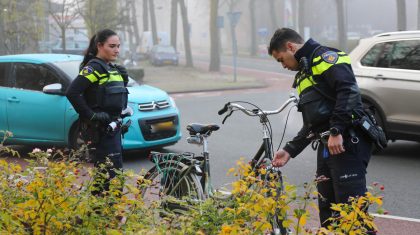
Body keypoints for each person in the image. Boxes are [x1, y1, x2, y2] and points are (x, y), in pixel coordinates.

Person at [269, 28, 374, 229]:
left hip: (347, 141)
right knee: (329, 214)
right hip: (328, 145)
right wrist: (290, 150)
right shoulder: (302, 76)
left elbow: (349, 91)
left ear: (290, 47)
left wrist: (336, 131)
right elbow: (312, 123)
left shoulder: (327, 57)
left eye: (281, 59)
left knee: (353, 216)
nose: (283, 65)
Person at [66, 29, 129, 196]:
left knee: (108, 176)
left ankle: (99, 215)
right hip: (101, 130)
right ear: (100, 46)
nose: (117, 50)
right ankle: (103, 215)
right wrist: (91, 115)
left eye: (118, 46)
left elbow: (115, 97)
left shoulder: (111, 68)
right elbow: (72, 92)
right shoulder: (94, 68)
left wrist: (125, 79)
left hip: (113, 129)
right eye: (112, 46)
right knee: (111, 176)